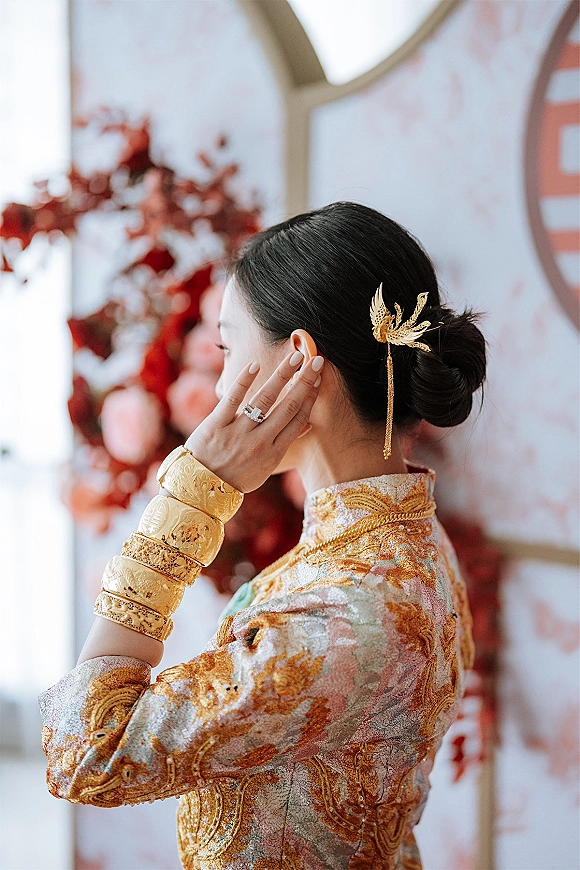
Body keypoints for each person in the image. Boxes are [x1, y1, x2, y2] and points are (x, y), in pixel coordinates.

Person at [39, 201, 486, 869]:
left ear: (298, 358)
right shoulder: (416, 540)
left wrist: (191, 496)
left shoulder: (344, 612)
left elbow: (88, 754)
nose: (219, 379)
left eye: (226, 347)